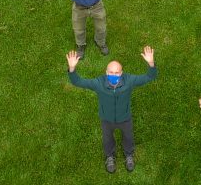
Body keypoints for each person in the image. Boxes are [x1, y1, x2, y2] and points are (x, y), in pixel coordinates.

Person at [67, 45, 157, 173]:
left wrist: (151, 63)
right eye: (111, 73)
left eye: (116, 73)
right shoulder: (98, 83)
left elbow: (149, 77)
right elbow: (78, 82)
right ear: (106, 72)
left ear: (121, 73)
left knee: (128, 137)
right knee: (107, 139)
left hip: (125, 118)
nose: (113, 75)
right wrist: (72, 68)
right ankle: (110, 156)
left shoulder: (129, 81)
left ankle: (129, 155)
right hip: (106, 119)